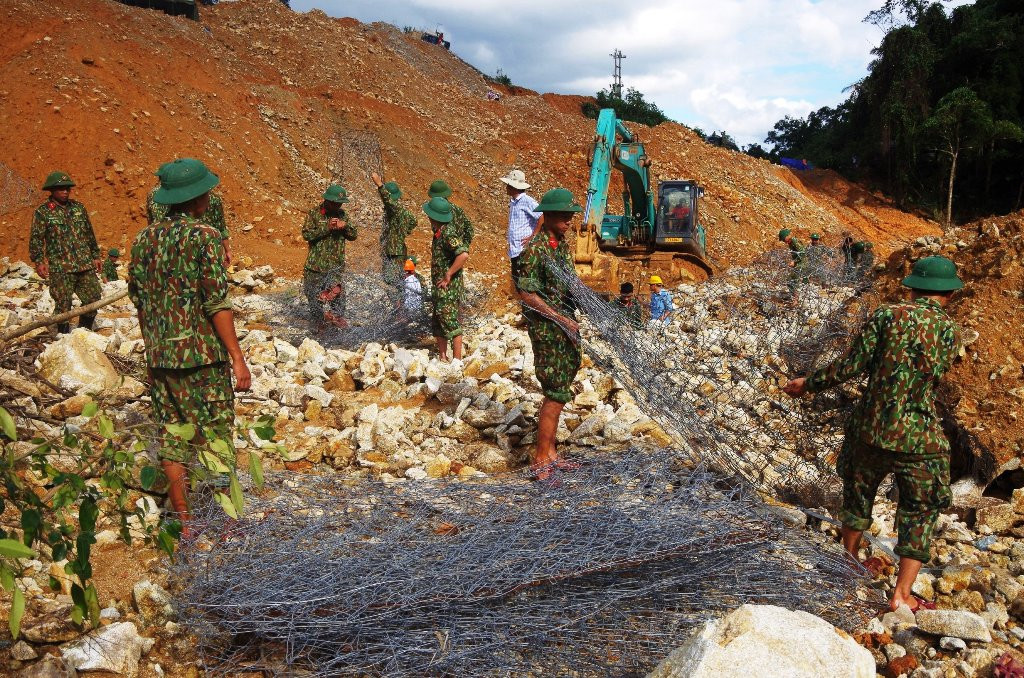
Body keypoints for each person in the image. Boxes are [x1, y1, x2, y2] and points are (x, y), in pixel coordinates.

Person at [783, 256, 962, 612]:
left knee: (858, 495)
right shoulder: (950, 331)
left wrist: (810, 383)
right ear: (948, 295)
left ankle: (847, 565)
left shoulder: (886, 315)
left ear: (911, 288)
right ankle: (902, 594)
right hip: (919, 438)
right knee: (920, 510)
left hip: (871, 429)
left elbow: (851, 365)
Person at [127, 158, 250, 536]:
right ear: (197, 198)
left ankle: (186, 524)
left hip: (162, 357)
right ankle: (226, 522)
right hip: (201, 357)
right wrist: (237, 357)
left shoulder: (143, 239)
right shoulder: (205, 236)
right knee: (215, 435)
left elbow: (138, 298)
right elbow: (216, 302)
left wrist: (155, 345)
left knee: (172, 434)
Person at [518, 188, 584, 483]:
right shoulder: (536, 250)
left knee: (562, 388)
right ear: (549, 215)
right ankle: (540, 458)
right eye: (566, 215)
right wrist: (559, 318)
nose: (571, 219)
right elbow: (526, 293)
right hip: (549, 330)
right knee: (554, 392)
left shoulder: (561, 246)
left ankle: (552, 452)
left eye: (572, 215)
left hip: (565, 326)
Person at [29, 171, 103, 334]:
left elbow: (89, 233)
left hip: (84, 265)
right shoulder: (43, 212)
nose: (65, 192)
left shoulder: (78, 208)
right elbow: (36, 238)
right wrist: (39, 261)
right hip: (60, 268)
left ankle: (83, 333)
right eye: (61, 189)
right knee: (63, 305)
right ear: (52, 191)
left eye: (67, 188)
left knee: (93, 299)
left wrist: (95, 255)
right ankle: (62, 338)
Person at [147, 162, 232, 265]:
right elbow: (220, 226)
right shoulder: (208, 235)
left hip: (164, 246)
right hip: (199, 245)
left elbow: (153, 220)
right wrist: (227, 250)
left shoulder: (143, 237)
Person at [302, 184, 358, 331]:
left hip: (335, 266)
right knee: (314, 300)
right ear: (327, 201)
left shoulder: (343, 215)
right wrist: (326, 227)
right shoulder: (314, 213)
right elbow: (306, 234)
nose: (338, 206)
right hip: (315, 267)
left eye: (340, 203)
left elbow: (354, 236)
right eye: (335, 203)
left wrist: (345, 227)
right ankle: (319, 330)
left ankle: (338, 331)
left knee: (338, 299)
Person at [424, 196, 469, 361]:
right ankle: (442, 357)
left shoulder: (449, 233)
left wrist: (449, 274)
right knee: (438, 321)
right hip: (439, 286)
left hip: (447, 288)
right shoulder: (438, 233)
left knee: (450, 322)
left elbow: (463, 254)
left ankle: (457, 361)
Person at [500, 169, 541, 293]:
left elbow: (541, 217)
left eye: (508, 185)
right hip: (515, 249)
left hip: (524, 250)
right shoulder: (514, 202)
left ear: (514, 186)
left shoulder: (527, 201)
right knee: (517, 278)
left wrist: (533, 237)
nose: (506, 187)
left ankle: (530, 308)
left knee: (527, 282)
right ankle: (524, 305)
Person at [371, 172, 416, 284]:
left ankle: (398, 301)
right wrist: (402, 231)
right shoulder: (404, 212)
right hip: (395, 250)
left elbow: (387, 201)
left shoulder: (394, 209)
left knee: (392, 281)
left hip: (394, 252)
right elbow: (414, 221)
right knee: (393, 279)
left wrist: (380, 185)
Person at [428, 179, 474, 248]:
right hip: (454, 249)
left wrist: (462, 249)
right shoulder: (457, 209)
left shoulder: (437, 212)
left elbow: (469, 228)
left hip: (449, 252)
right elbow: (469, 228)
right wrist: (464, 245)